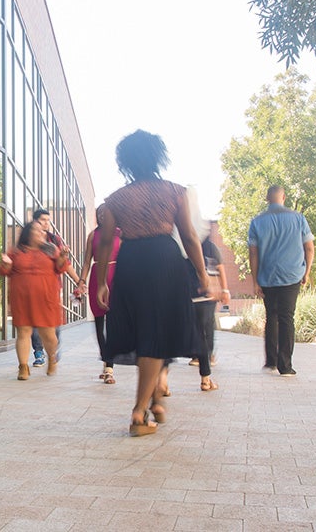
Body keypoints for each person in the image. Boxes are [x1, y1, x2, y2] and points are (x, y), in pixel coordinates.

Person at [95, 131, 210, 436]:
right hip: (164, 261)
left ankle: (156, 402)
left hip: (131, 263)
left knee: (148, 331)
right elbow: (188, 236)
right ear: (158, 155)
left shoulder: (116, 199)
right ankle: (138, 412)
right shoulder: (175, 191)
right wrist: (202, 273)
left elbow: (105, 242)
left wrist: (102, 282)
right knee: (156, 335)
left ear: (125, 162)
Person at [248, 185, 315, 377]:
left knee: (272, 317)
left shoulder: (257, 222)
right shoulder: (298, 218)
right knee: (287, 318)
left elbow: (253, 252)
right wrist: (306, 272)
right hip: (292, 274)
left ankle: (270, 361)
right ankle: (285, 366)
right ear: (283, 197)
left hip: (267, 276)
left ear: (267, 199)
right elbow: (309, 248)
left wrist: (255, 280)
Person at [0, 221, 68, 380]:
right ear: (28, 233)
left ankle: (52, 357)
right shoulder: (16, 252)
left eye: (42, 231)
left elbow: (61, 268)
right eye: (37, 230)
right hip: (22, 299)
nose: (41, 233)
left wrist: (63, 256)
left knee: (48, 335)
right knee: (23, 332)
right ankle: (23, 367)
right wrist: (6, 263)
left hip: (46, 299)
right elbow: (5, 271)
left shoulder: (51, 249)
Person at [28, 209, 85, 367]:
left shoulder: (54, 240)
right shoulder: (28, 240)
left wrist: (78, 281)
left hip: (52, 288)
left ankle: (53, 349)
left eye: (48, 220)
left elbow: (65, 264)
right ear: (35, 221)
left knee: (54, 322)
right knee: (35, 322)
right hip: (33, 288)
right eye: (43, 220)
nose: (46, 223)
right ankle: (39, 353)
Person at [79, 218, 120, 384]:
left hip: (116, 276)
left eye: (107, 212)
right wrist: (81, 280)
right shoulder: (92, 235)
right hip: (97, 277)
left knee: (113, 324)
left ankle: (109, 366)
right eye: (100, 213)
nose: (104, 216)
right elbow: (87, 261)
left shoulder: (120, 233)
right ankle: (106, 358)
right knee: (98, 322)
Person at [190, 222, 230, 392]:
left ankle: (163, 381)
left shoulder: (187, 248)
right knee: (204, 332)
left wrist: (225, 289)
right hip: (207, 295)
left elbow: (220, 269)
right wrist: (223, 290)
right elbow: (220, 270)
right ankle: (205, 378)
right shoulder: (209, 247)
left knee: (201, 331)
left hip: (195, 296)